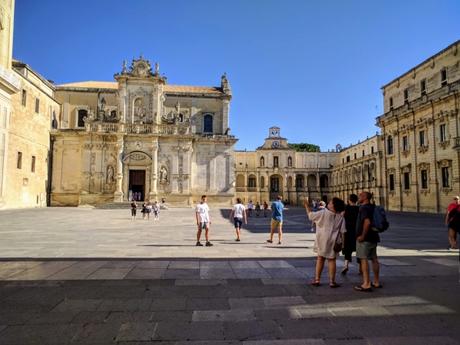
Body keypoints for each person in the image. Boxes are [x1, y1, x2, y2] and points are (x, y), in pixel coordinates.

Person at [304, 197, 346, 288]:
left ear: (333, 206)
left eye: (330, 203)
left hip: (322, 239)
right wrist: (343, 244)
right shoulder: (341, 217)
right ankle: (332, 281)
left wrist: (307, 206)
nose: (329, 203)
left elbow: (311, 216)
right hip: (334, 241)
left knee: (320, 259)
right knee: (332, 260)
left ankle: (317, 279)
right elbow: (343, 231)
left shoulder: (324, 213)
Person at [354, 191, 381, 292]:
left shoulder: (364, 208)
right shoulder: (372, 206)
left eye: (360, 195)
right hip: (374, 236)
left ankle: (366, 283)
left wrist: (362, 236)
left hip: (366, 238)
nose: (358, 197)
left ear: (364, 197)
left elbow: (367, 222)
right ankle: (376, 282)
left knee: (363, 259)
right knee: (374, 259)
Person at [341, 194, 360, 275]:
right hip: (357, 231)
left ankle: (346, 265)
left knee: (348, 249)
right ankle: (361, 268)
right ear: (356, 200)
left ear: (349, 200)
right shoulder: (359, 209)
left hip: (348, 231)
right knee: (359, 250)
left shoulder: (346, 208)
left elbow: (341, 217)